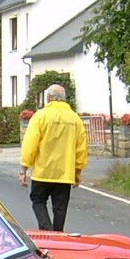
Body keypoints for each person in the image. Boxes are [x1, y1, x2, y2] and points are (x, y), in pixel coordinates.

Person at [18, 84, 88, 232]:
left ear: (49, 98)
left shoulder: (40, 116)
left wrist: (24, 169)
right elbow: (81, 147)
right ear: (64, 99)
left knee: (38, 200)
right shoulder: (74, 119)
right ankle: (58, 234)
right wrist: (78, 171)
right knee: (60, 208)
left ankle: (47, 230)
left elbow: (30, 144)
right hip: (64, 173)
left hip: (42, 172)